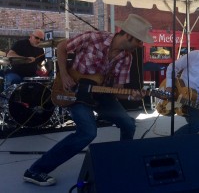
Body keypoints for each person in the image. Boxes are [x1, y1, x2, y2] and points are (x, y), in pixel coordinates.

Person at [23, 14, 154, 186]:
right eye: (139, 41)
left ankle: (123, 160)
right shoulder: (94, 37)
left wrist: (132, 95)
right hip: (74, 91)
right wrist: (64, 74)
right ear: (128, 36)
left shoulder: (126, 57)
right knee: (88, 132)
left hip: (101, 93)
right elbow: (62, 47)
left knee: (128, 123)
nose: (140, 45)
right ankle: (35, 170)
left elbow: (116, 89)